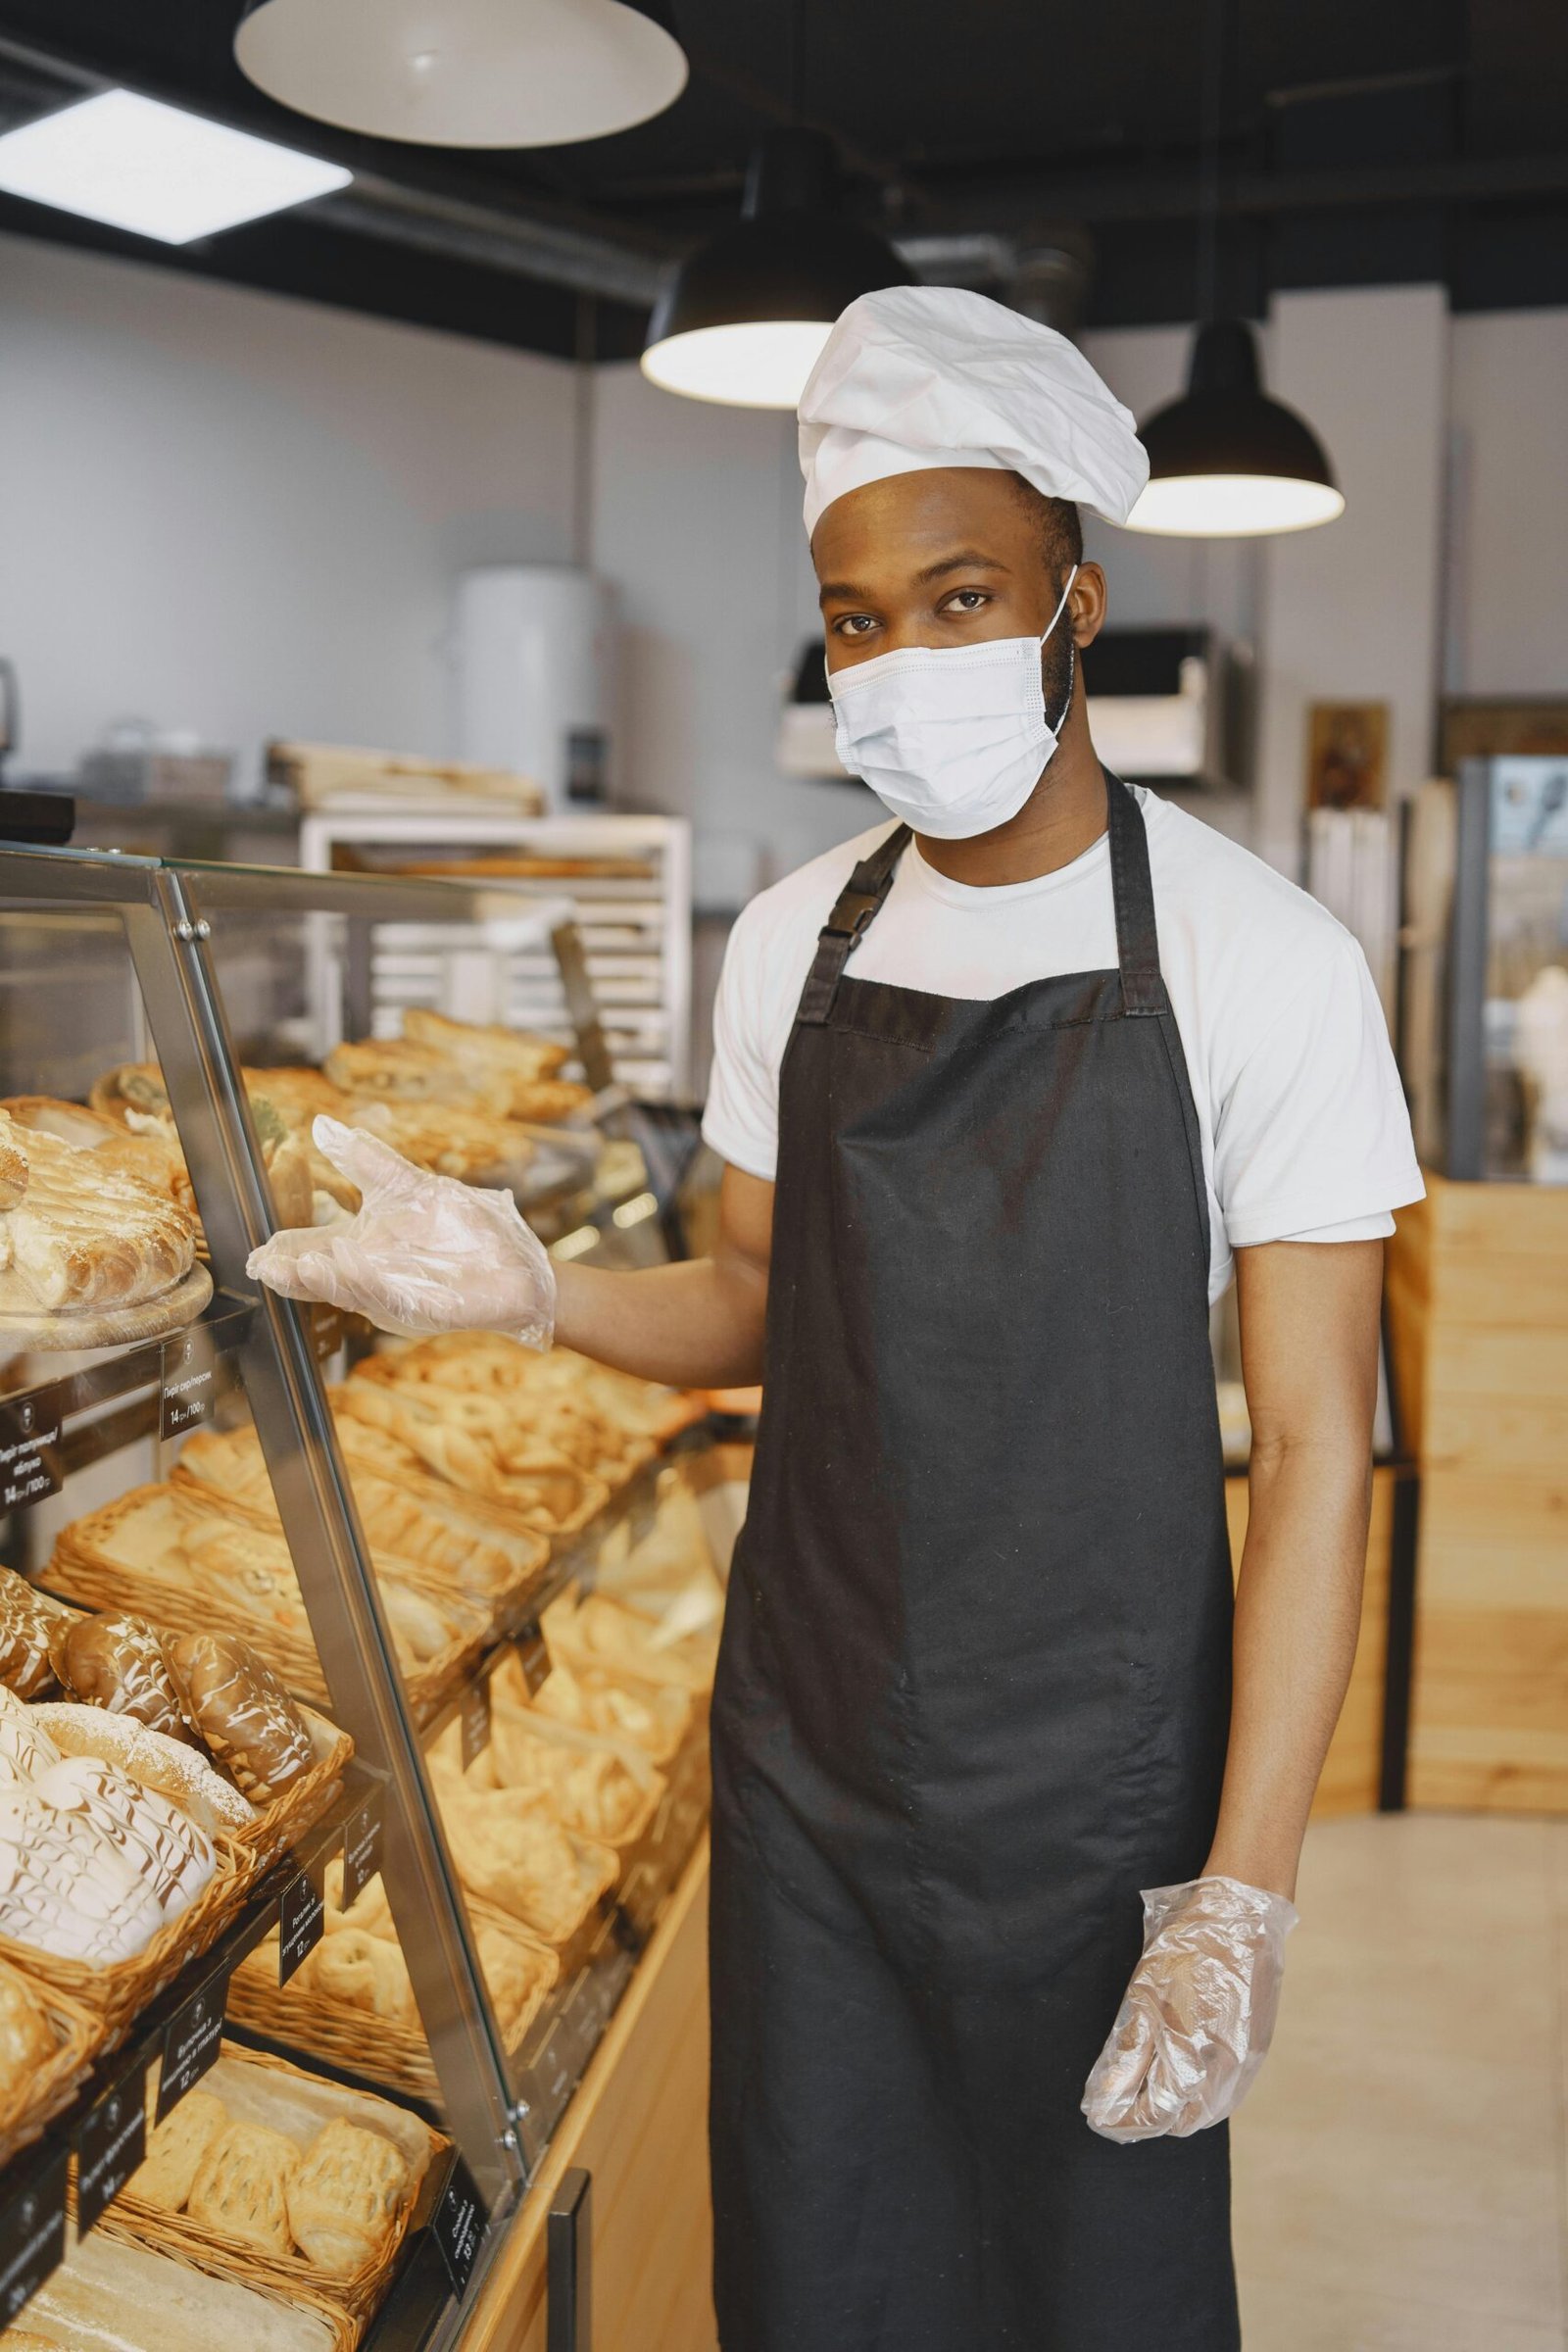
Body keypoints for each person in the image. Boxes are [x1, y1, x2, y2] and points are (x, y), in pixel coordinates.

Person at [252, 284, 1425, 2349]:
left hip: (1101, 1809)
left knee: (1098, 2301)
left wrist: (1235, 1892)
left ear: (1073, 596)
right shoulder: (797, 942)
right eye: (857, 616)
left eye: (955, 592)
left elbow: (1321, 1449)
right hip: (810, 1779)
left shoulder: (1264, 962)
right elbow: (753, 1307)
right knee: (826, 2289)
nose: (899, 659)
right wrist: (533, 1289)